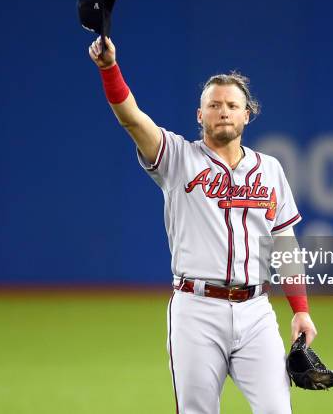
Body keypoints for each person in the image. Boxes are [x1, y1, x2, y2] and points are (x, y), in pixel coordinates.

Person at [89, 36, 317, 414]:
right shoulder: (177, 158)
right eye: (214, 105)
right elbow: (131, 117)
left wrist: (301, 309)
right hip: (196, 310)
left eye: (232, 105)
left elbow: (285, 244)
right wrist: (109, 68)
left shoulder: (271, 170)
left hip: (256, 311)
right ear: (200, 115)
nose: (223, 111)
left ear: (247, 115)